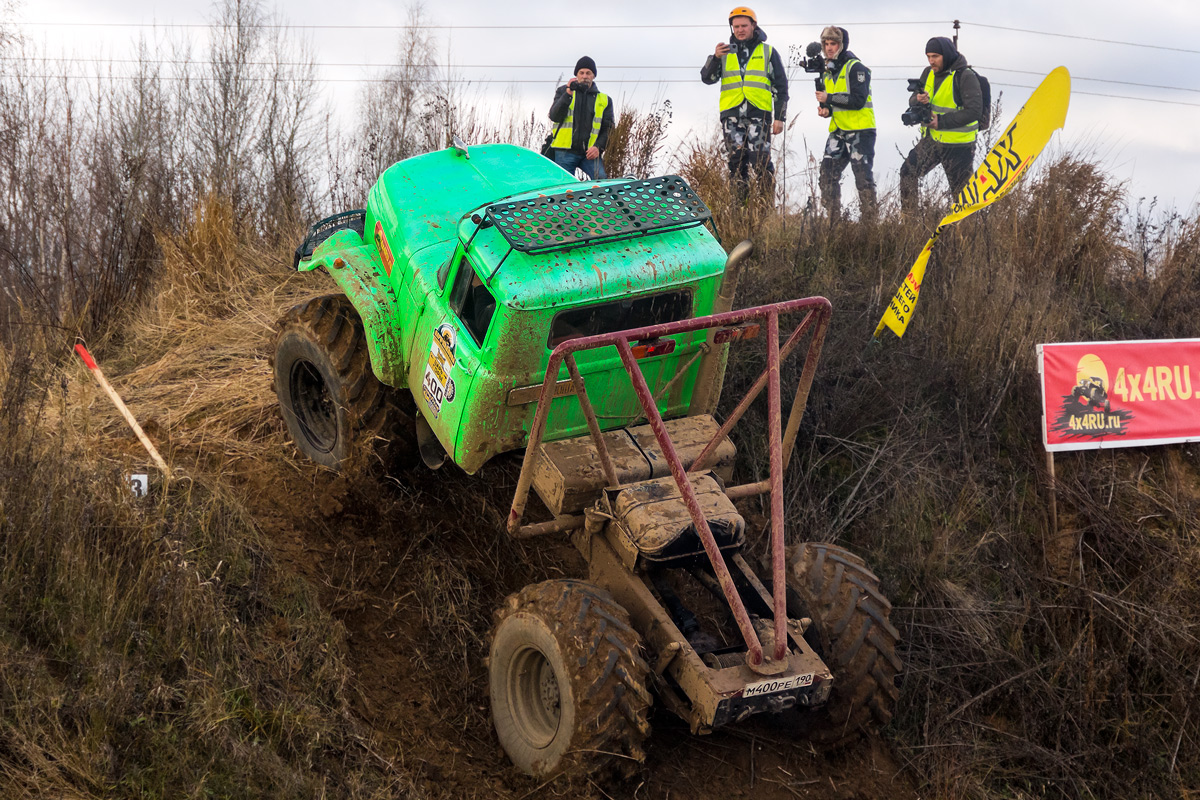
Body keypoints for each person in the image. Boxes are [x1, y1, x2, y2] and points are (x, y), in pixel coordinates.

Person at [700, 7, 788, 202]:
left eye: (744, 26)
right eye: (736, 26)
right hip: (731, 115)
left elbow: (781, 87)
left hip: (759, 114)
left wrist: (780, 118)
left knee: (760, 162)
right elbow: (707, 78)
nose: (740, 30)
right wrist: (715, 58)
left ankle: (765, 210)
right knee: (736, 163)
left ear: (753, 26)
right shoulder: (723, 53)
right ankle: (740, 211)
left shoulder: (768, 51)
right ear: (731, 28)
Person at [899, 36, 983, 213]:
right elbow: (912, 98)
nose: (931, 61)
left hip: (959, 145)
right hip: (933, 141)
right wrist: (918, 99)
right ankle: (909, 224)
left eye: (935, 56)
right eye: (928, 56)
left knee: (962, 198)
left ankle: (965, 234)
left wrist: (941, 122)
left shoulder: (965, 76)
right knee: (907, 172)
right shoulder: (927, 73)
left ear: (946, 55)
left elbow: (974, 111)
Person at [814, 26, 876, 221]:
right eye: (826, 44)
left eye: (833, 44)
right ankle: (834, 222)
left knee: (862, 178)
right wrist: (827, 110)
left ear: (842, 45)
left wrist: (829, 98)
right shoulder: (828, 70)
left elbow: (858, 100)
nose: (829, 48)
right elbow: (836, 102)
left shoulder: (856, 67)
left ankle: (870, 223)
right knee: (826, 175)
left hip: (861, 131)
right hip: (838, 131)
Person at [547, 56, 614, 179]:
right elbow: (554, 116)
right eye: (581, 73)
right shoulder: (563, 91)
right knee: (563, 187)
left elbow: (608, 128)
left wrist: (598, 147)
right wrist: (568, 94)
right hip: (564, 151)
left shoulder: (605, 100)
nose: (584, 76)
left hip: (590, 153)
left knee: (602, 182)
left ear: (593, 76)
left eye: (588, 73)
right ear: (576, 75)